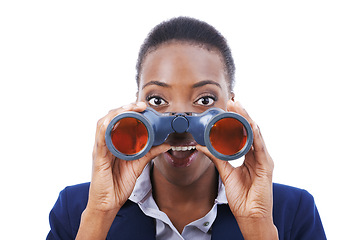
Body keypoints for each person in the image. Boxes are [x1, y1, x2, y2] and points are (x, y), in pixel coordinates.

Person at [47, 17, 326, 240]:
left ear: (232, 108)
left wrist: (258, 226)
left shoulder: (293, 211)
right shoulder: (77, 209)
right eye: (157, 100)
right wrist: (100, 214)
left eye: (205, 100)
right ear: (136, 106)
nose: (180, 127)